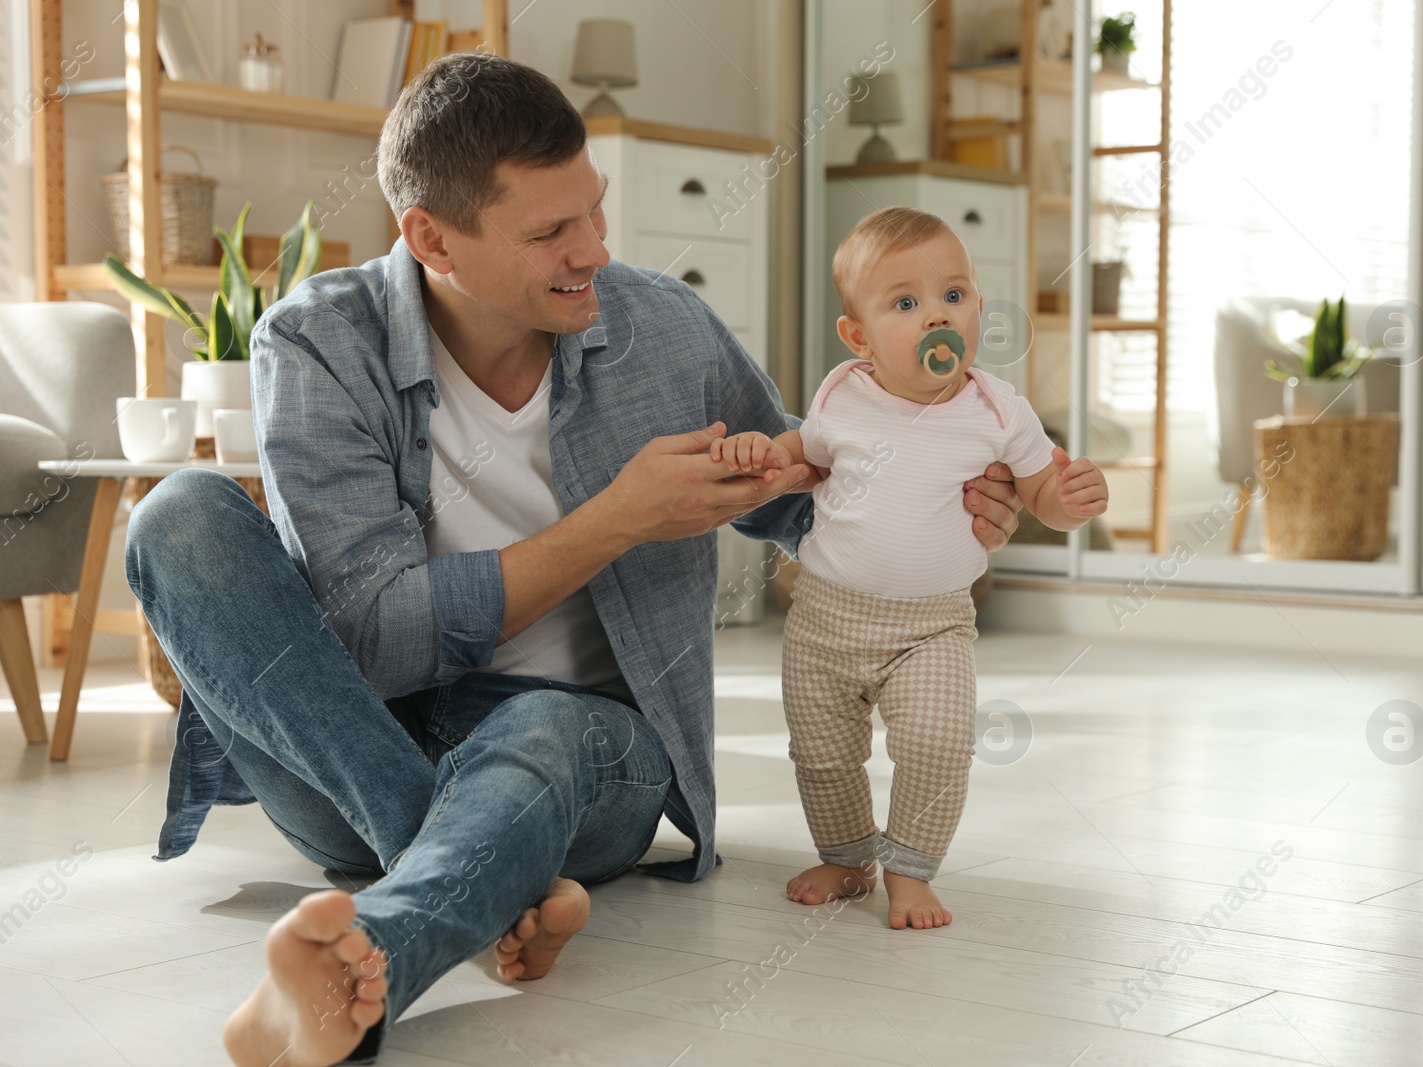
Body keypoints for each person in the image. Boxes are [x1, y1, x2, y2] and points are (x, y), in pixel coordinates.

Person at [123, 54, 1025, 1066]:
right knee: (176, 515)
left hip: (587, 762)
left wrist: (945, 508)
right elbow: (372, 639)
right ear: (432, 239)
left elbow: (801, 493)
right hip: (354, 747)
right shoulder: (322, 342)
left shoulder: (667, 330)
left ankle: (359, 968)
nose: (594, 249)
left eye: (591, 211)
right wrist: (615, 518)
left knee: (539, 722)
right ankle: (484, 880)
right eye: (551, 231)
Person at [711, 206, 1109, 931]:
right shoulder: (841, 393)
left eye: (953, 295)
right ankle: (846, 857)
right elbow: (805, 459)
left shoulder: (997, 409)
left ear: (979, 306)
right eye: (905, 302)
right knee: (822, 751)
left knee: (936, 742)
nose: (937, 317)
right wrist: (768, 455)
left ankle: (911, 870)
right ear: (858, 336)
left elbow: (1040, 495)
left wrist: (1071, 500)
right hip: (826, 613)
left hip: (933, 623)